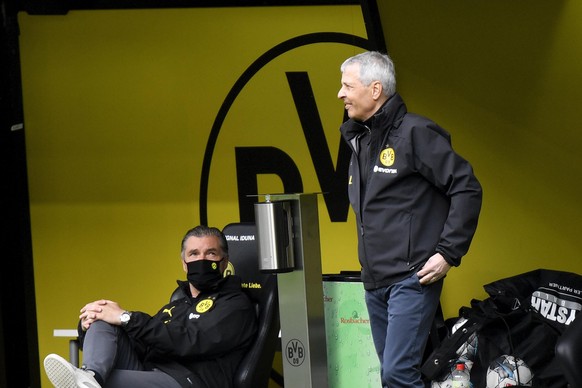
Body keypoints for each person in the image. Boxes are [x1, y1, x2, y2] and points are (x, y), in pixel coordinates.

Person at [337, 51, 482, 387]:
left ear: (375, 90)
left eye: (347, 86)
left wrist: (447, 253)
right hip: (375, 281)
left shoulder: (415, 132)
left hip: (411, 278)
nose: (340, 94)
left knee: (398, 374)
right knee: (394, 376)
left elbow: (467, 187)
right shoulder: (359, 138)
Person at [43, 225, 258, 388]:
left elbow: (189, 341)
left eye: (210, 253)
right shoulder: (177, 305)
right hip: (150, 372)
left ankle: (89, 381)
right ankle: (90, 376)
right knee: (103, 316)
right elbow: (143, 343)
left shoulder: (235, 304)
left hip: (189, 381)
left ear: (224, 261)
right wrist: (88, 325)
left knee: (104, 383)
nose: (201, 259)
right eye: (193, 254)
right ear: (184, 263)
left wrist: (127, 318)